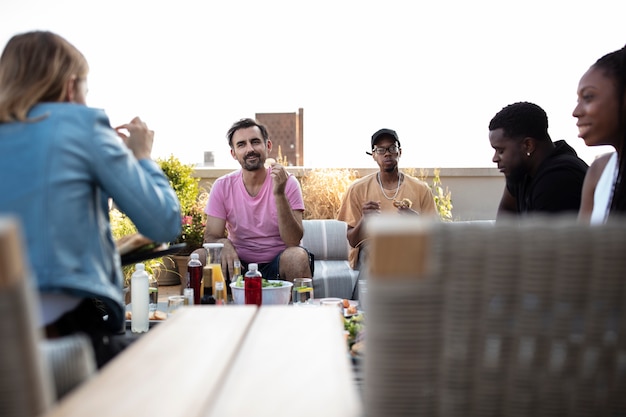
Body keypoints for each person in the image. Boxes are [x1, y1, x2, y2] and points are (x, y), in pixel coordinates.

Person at [0, 31, 181, 367]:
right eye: (85, 88)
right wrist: (141, 156)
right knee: (178, 353)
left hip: (8, 348)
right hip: (67, 340)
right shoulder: (82, 126)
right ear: (70, 87)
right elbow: (164, 223)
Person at [200, 118, 312, 282]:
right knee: (199, 257)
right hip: (237, 266)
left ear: (268, 146)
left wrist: (279, 193)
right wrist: (224, 242)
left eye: (255, 142)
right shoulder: (222, 186)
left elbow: (293, 241)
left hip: (278, 264)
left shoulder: (287, 182)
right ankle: (188, 308)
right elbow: (211, 236)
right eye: (241, 145)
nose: (250, 149)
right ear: (233, 153)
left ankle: (301, 307)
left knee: (297, 256)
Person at [337, 128, 438, 271]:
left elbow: (436, 236)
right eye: (380, 150)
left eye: (392, 148)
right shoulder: (357, 189)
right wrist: (364, 220)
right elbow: (351, 242)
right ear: (373, 155)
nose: (387, 153)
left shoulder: (421, 189)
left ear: (400, 152)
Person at [488, 102, 588, 221]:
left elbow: (543, 238)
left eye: (500, 151)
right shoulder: (521, 170)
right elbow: (507, 211)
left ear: (528, 145)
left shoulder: (558, 179)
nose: (494, 159)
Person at [574, 45, 626, 224]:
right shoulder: (599, 170)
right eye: (578, 100)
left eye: (588, 97)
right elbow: (581, 248)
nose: (576, 111)